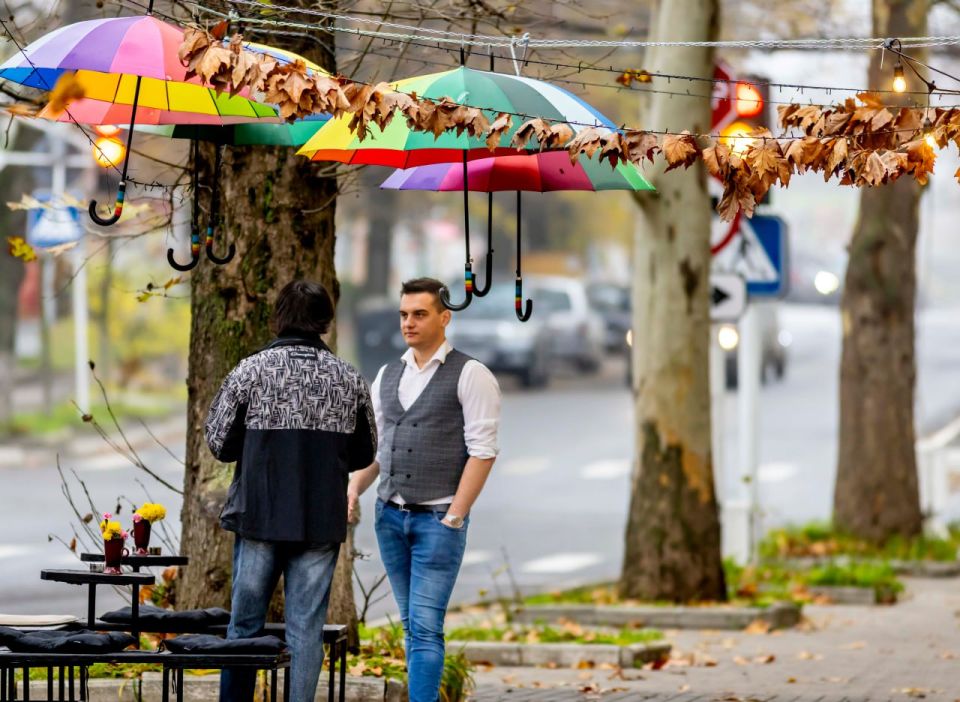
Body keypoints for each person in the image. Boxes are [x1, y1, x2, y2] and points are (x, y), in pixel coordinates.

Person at [205, 279, 376, 702]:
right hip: (320, 521)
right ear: (324, 321)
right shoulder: (348, 379)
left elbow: (217, 440)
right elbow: (365, 452)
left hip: (259, 517)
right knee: (305, 630)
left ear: (279, 317)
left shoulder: (250, 371)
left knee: (244, 625)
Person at [347, 277, 501, 702]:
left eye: (419, 314)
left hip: (438, 519)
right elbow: (380, 447)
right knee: (412, 625)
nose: (408, 323)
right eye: (403, 315)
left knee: (427, 626)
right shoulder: (387, 374)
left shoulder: (471, 374)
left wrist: (455, 515)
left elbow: (483, 451)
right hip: (390, 516)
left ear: (444, 317)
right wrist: (355, 487)